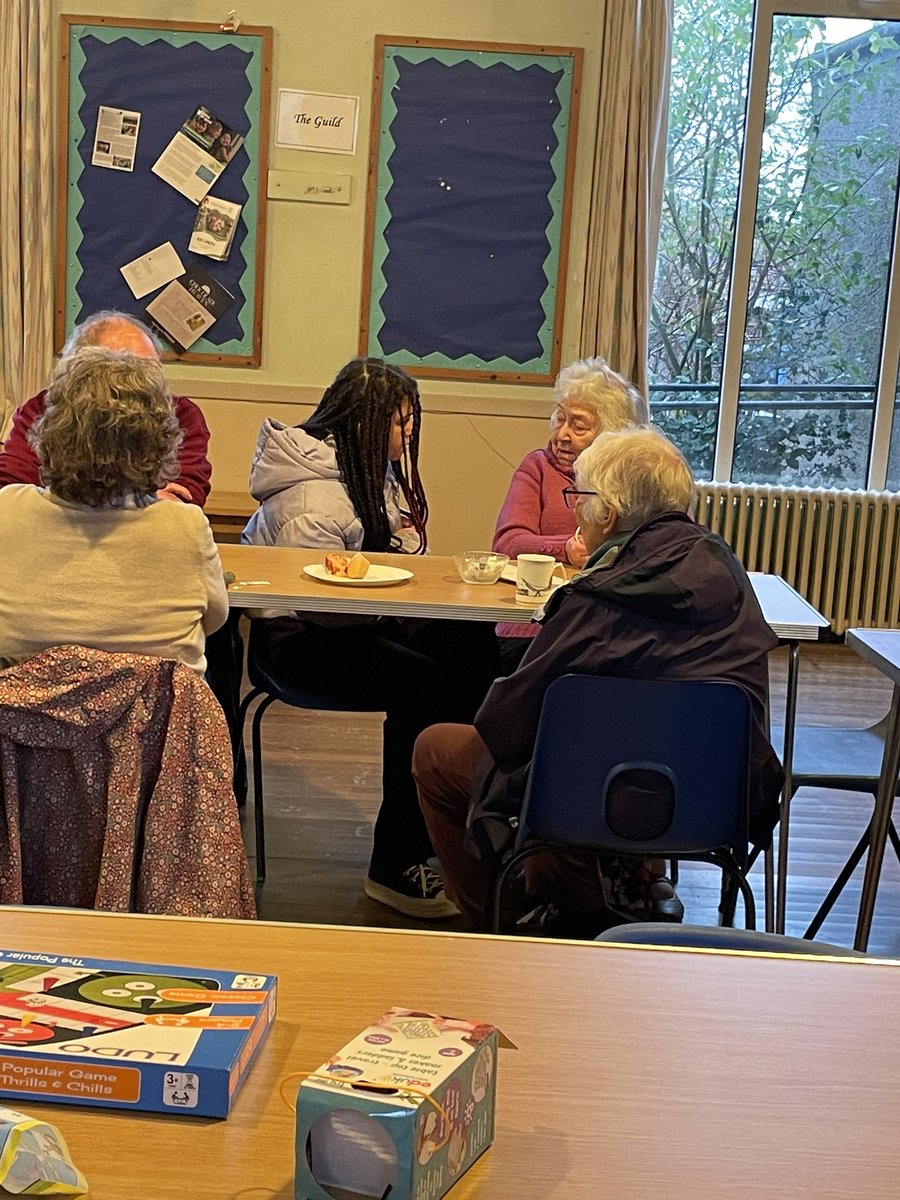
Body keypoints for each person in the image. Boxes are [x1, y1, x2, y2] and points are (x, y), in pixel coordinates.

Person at [413, 426, 784, 931]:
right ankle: (596, 892)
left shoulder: (601, 601)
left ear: (607, 513)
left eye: (577, 497)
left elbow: (508, 723)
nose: (574, 509)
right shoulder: (731, 578)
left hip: (594, 796)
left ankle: (507, 928)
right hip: (711, 798)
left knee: (437, 750)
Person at [242, 357, 500, 918]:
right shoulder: (309, 502)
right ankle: (394, 864)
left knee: (477, 651)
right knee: (425, 684)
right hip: (298, 644)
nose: (408, 434)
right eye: (400, 422)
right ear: (364, 423)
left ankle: (457, 826)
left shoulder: (362, 471)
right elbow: (320, 604)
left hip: (352, 625)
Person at [0, 347, 228, 675]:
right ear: (159, 444)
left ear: (49, 435)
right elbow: (215, 618)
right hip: (154, 724)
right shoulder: (185, 525)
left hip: (26, 722)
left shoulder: (9, 508)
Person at [492, 356, 646, 671]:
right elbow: (507, 542)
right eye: (560, 419)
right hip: (535, 626)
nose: (562, 434)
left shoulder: (637, 478)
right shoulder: (537, 467)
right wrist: (566, 548)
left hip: (614, 626)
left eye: (578, 425)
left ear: (611, 432)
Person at [0, 311, 212, 506]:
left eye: (148, 373)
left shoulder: (180, 413)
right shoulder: (42, 408)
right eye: (120, 373)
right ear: (77, 375)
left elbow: (185, 495)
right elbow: (9, 487)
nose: (139, 386)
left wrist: (61, 499)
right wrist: (146, 500)